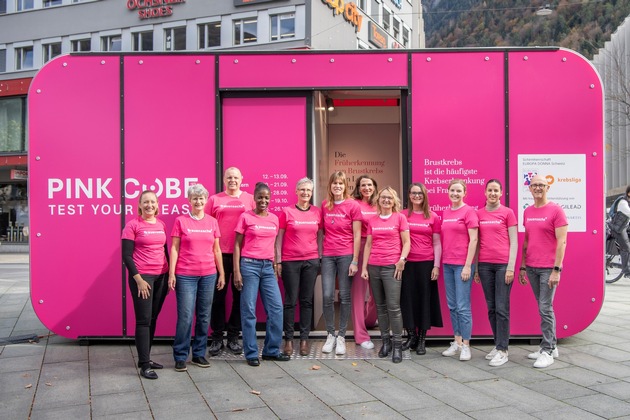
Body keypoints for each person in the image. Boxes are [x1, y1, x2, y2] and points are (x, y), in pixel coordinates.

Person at [169, 184, 225, 372]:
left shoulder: (212, 222)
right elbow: (174, 248)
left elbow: (216, 249)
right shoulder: (181, 221)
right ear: (189, 201)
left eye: (201, 198)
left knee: (203, 316)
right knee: (185, 316)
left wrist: (222, 273)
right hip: (185, 275)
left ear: (206, 200)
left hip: (209, 274)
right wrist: (172, 273)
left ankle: (199, 353)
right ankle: (180, 355)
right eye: (195, 198)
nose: (198, 201)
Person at [234, 182, 290, 366]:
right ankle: (250, 353)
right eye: (260, 197)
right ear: (254, 198)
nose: (263, 200)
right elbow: (237, 245)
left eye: (266, 197)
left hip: (267, 267)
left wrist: (275, 264)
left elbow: (274, 244)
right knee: (249, 310)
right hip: (249, 266)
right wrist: (236, 271)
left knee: (276, 309)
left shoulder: (274, 219)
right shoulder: (245, 217)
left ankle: (271, 351)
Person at [519, 174, 568, 368]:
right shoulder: (528, 211)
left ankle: (547, 350)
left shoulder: (556, 210)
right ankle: (551, 345)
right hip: (531, 266)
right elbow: (527, 241)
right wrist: (522, 266)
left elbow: (562, 241)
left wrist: (556, 269)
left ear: (548, 188)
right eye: (534, 185)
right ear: (529, 189)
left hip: (549, 267)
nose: (538, 188)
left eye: (542, 185)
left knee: (545, 308)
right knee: (543, 307)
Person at [206, 167, 255, 356]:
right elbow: (207, 225)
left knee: (240, 296)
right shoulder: (214, 199)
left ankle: (234, 335)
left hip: (244, 255)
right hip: (219, 254)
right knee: (217, 297)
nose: (232, 180)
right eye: (229, 177)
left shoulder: (250, 199)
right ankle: (217, 337)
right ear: (224, 180)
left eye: (236, 177)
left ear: (242, 179)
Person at [121, 190, 169, 380]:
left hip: (161, 277)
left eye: (153, 202)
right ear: (140, 205)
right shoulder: (132, 225)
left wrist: (169, 274)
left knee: (153, 318)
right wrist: (138, 279)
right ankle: (144, 365)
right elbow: (126, 255)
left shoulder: (161, 224)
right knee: (143, 320)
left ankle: (146, 359)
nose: (149, 205)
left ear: (157, 205)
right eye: (146, 202)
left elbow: (164, 250)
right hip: (143, 278)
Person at [361, 187, 410, 363]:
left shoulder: (400, 218)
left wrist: (402, 260)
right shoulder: (373, 220)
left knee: (393, 307)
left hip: (392, 267)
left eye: (389, 197)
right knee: (380, 307)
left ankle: (397, 345)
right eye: (383, 197)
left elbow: (407, 242)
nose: (386, 200)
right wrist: (365, 268)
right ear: (378, 200)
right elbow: (368, 245)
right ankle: (386, 342)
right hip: (374, 267)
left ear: (394, 200)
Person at [276, 177, 322, 356]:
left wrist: (318, 257)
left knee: (306, 300)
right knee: (290, 300)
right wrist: (278, 261)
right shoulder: (286, 212)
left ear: (311, 193)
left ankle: (304, 339)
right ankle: (288, 339)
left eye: (308, 190)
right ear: (296, 192)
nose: (305, 193)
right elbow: (278, 238)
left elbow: (320, 236)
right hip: (290, 261)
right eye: (302, 190)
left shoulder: (317, 212)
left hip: (310, 261)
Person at [474, 179, 518, 367]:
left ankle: (503, 349)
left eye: (496, 190)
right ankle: (497, 343)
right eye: (489, 190)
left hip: (502, 266)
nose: (492, 193)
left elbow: (514, 241)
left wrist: (510, 267)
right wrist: (476, 267)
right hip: (484, 266)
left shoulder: (508, 213)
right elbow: (476, 242)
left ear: (501, 193)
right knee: (491, 308)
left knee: (502, 308)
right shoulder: (479, 214)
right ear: (485, 193)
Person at [321, 171, 362, 355]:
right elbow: (321, 231)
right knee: (328, 295)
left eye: (341, 183)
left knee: (345, 296)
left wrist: (354, 260)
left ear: (345, 186)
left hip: (346, 255)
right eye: (334, 183)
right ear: (330, 186)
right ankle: (330, 334)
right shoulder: (324, 205)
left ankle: (342, 336)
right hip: (328, 255)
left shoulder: (352, 205)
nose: (337, 186)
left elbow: (357, 235)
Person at [401, 183, 443, 356]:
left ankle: (422, 339)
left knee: (425, 301)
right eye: (413, 193)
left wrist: (436, 265)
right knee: (408, 300)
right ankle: (411, 336)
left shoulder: (433, 217)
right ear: (409, 195)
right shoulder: (403, 215)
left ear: (424, 195)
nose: (416, 196)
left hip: (426, 263)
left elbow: (437, 243)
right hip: (407, 264)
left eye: (419, 193)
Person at [441, 179, 479, 361]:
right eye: (452, 190)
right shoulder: (446, 212)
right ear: (448, 192)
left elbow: (474, 240)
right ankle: (456, 341)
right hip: (447, 264)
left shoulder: (469, 212)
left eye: (458, 191)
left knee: (463, 306)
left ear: (464, 193)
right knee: (452, 305)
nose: (455, 193)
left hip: (462, 266)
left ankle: (466, 345)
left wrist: (467, 265)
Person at [351, 175, 379, 350]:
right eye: (363, 185)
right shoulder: (354, 204)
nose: (367, 188)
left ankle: (369, 320)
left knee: (377, 290)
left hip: (379, 249)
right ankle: (360, 335)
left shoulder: (380, 204)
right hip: (360, 249)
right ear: (358, 188)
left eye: (369, 185)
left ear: (375, 186)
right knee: (359, 293)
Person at [611, 186, 630, 277]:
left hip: (624, 227)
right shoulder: (623, 202)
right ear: (629, 193)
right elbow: (628, 212)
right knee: (626, 248)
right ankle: (626, 272)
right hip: (618, 229)